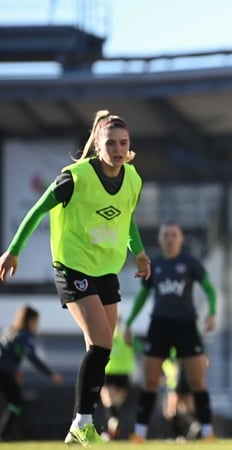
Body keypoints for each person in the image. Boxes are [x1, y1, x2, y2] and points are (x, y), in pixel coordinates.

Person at [0, 110, 150, 447]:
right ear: (98, 145)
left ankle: (77, 428)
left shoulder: (133, 179)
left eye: (123, 143)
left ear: (129, 147)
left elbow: (127, 219)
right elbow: (37, 209)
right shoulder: (75, 177)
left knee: (102, 348)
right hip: (73, 267)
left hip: (106, 270)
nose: (117, 149)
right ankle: (83, 424)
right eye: (110, 143)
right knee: (100, 343)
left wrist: (138, 252)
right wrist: (13, 250)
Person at [125, 221, 218, 442]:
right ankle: (139, 433)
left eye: (173, 234)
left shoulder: (189, 263)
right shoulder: (154, 264)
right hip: (159, 324)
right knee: (150, 382)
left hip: (186, 324)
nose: (169, 238)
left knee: (197, 382)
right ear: (160, 239)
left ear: (181, 238)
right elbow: (142, 296)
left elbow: (209, 289)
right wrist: (128, 323)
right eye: (165, 235)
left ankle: (207, 432)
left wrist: (212, 313)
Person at [0, 305, 63, 440]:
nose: (37, 325)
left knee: (15, 402)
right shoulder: (24, 335)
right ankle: (3, 435)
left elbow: (8, 352)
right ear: (30, 320)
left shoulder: (9, 330)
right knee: (17, 403)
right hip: (4, 372)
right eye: (36, 321)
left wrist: (14, 371)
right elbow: (32, 358)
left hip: (5, 371)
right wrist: (50, 374)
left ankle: (4, 435)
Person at [100, 316, 141, 441]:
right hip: (124, 374)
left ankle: (112, 422)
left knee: (108, 401)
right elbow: (140, 348)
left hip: (111, 373)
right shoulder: (128, 336)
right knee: (116, 403)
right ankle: (112, 428)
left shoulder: (108, 335)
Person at [162, 349, 201, 441]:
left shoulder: (172, 353)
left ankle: (179, 434)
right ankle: (191, 426)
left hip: (176, 385)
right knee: (181, 409)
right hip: (177, 383)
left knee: (171, 410)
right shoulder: (166, 359)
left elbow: (175, 369)